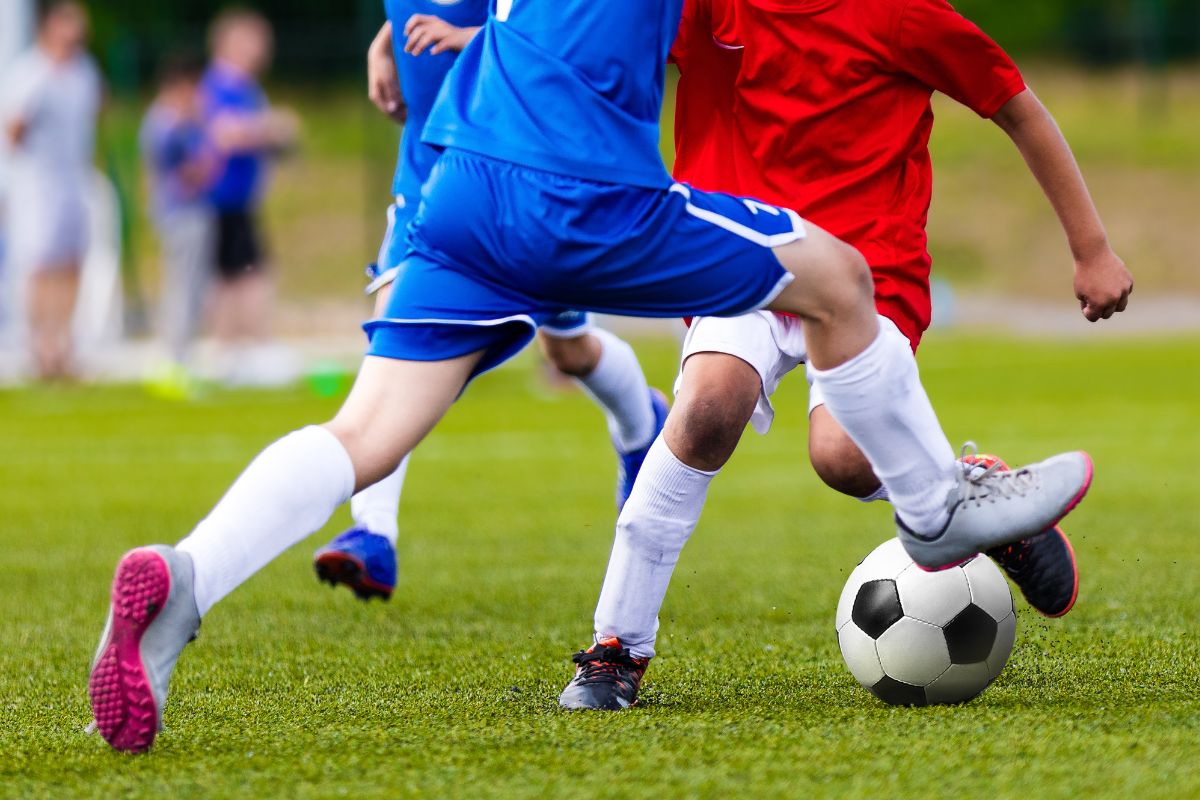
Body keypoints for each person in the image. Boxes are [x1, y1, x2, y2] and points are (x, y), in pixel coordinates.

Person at [87, 0, 1096, 754]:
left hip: (467, 187)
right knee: (838, 277)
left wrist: (399, 29)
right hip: (583, 192)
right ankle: (934, 506)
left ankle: (187, 575)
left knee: (366, 428)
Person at [557, 0, 1134, 712]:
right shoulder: (700, 9)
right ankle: (617, 649)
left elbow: (1018, 108)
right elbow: (585, 44)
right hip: (741, 263)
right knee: (707, 407)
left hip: (868, 276)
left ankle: (961, 494)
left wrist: (1091, 249)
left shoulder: (902, 14)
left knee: (843, 458)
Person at [312, 3, 668, 601]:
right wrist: (385, 41)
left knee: (569, 351)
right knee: (396, 329)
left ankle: (641, 426)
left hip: (516, 170)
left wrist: (468, 38)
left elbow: (554, 33)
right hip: (427, 170)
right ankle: (371, 533)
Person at [0, 0, 101, 380]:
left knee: (71, 262)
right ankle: (39, 346)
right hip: (39, 182)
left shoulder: (84, 71)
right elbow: (12, 131)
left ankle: (64, 342)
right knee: (42, 265)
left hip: (74, 177)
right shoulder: (31, 72)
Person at [200, 9, 298, 385]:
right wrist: (272, 128)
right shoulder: (216, 85)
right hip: (217, 198)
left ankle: (239, 350)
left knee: (242, 272)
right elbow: (225, 134)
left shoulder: (247, 88)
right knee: (243, 275)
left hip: (240, 199)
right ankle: (241, 350)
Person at [140, 53, 217, 385]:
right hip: (181, 212)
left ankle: (181, 356)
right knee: (183, 287)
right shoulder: (169, 124)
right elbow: (190, 172)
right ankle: (175, 359)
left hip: (184, 212)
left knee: (191, 287)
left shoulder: (174, 121)